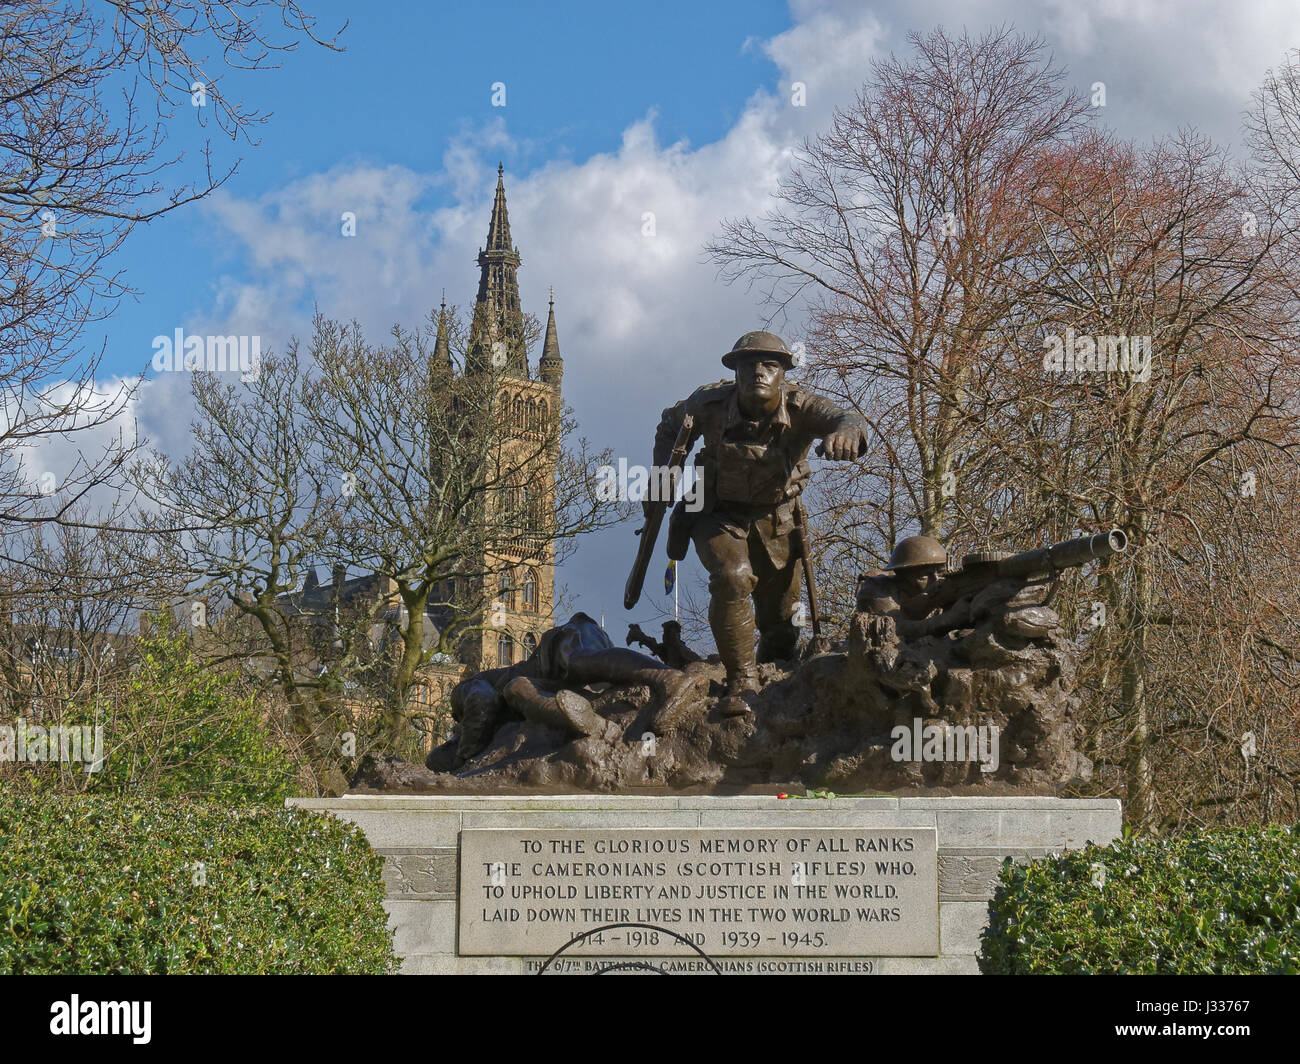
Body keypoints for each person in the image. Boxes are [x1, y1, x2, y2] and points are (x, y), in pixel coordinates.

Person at [650, 331, 868, 716]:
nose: (758, 373)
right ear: (734, 372)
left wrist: (847, 433)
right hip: (717, 513)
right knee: (733, 577)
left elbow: (846, 418)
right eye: (748, 365)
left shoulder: (802, 407)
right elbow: (669, 424)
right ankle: (741, 682)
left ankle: (777, 690)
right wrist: (661, 481)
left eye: (770, 365)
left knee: (782, 626)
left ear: (783, 373)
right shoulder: (709, 403)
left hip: (777, 522)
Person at [444, 612, 694, 763]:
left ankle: (667, 678)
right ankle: (594, 724)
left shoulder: (473, 686)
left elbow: (480, 703)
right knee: (522, 686)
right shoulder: (509, 690)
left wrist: (462, 759)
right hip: (564, 679)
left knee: (567, 666)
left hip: (561, 646)